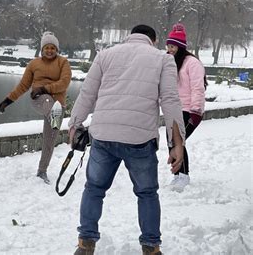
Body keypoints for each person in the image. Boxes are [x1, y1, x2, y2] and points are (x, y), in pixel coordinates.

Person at [68, 25, 186, 255]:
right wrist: (177, 144)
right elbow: (170, 101)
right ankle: (151, 247)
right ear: (153, 40)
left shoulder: (105, 55)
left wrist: (74, 125)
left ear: (129, 36)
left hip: (104, 135)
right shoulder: (163, 59)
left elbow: (87, 94)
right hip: (139, 139)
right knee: (147, 193)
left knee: (94, 189)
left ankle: (86, 243)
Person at [0, 32, 72, 184]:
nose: (49, 50)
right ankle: (55, 115)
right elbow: (23, 86)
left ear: (56, 49)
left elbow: (64, 82)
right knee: (50, 106)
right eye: (46, 48)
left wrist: (44, 88)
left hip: (56, 103)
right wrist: (8, 100)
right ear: (42, 49)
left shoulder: (63, 62)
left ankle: (42, 171)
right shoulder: (34, 64)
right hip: (39, 99)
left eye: (52, 48)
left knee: (49, 141)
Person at [166, 23, 206, 191]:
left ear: (181, 47)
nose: (170, 49)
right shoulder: (170, 62)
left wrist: (195, 111)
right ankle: (178, 175)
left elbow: (198, 87)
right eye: (168, 45)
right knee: (172, 143)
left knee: (178, 142)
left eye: (173, 46)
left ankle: (183, 176)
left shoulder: (192, 63)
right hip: (174, 109)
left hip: (189, 110)